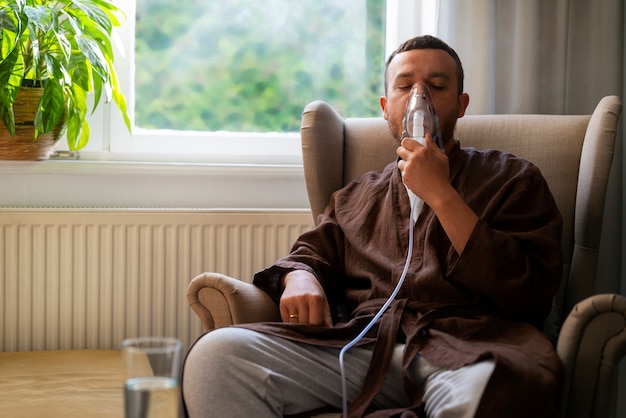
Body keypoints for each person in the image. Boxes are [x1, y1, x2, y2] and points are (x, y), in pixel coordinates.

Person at [182, 35, 563, 418]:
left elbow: (531, 291)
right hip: (365, 350)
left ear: (462, 105)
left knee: (499, 389)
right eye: (404, 86)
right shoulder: (354, 198)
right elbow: (308, 255)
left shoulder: (512, 179)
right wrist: (298, 277)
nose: (420, 97)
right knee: (216, 357)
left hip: (469, 352)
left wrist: (442, 196)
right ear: (386, 107)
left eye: (437, 85)